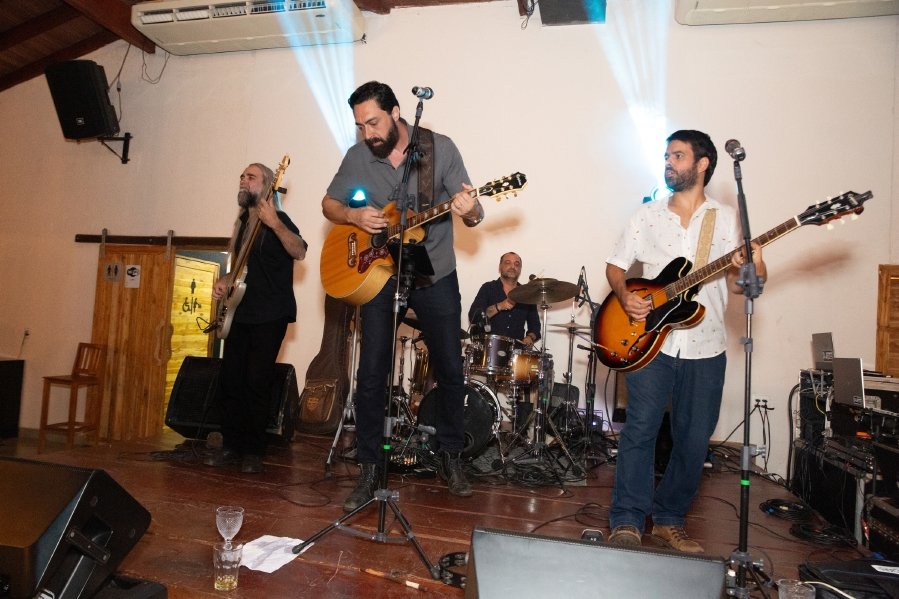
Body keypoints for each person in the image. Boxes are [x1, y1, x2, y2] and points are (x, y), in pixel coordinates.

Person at [322, 81, 485, 512]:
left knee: (450, 368)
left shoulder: (440, 149)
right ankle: (372, 467)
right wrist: (355, 214)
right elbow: (329, 204)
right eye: (360, 126)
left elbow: (473, 209)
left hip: (435, 272)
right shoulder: (359, 156)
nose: (368, 133)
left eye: (373, 122)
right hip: (378, 275)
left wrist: (472, 211)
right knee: (371, 372)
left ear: (396, 113)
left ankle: (450, 456)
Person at [605, 130, 767, 552]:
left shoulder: (729, 218)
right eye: (666, 156)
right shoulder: (647, 216)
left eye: (677, 156)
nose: (668, 162)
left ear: (703, 164)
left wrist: (754, 265)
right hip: (651, 343)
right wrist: (626, 298)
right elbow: (616, 267)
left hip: (707, 343)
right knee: (639, 429)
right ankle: (626, 518)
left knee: (694, 440)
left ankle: (669, 519)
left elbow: (738, 288)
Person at [205, 162, 307, 474]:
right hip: (242, 312)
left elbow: (300, 251)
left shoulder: (278, 219)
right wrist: (226, 281)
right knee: (231, 378)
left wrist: (275, 223)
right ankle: (232, 445)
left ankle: (253, 450)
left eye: (250, 177)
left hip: (271, 312)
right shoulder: (242, 222)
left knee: (257, 380)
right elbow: (241, 267)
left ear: (265, 186)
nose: (243, 180)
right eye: (241, 176)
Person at [467, 252, 542, 347]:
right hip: (488, 349)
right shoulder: (488, 288)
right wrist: (499, 306)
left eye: (516, 264)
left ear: (520, 269)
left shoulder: (526, 294)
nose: (512, 266)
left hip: (516, 353)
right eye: (507, 263)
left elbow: (535, 326)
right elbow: (474, 317)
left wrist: (530, 337)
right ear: (500, 267)